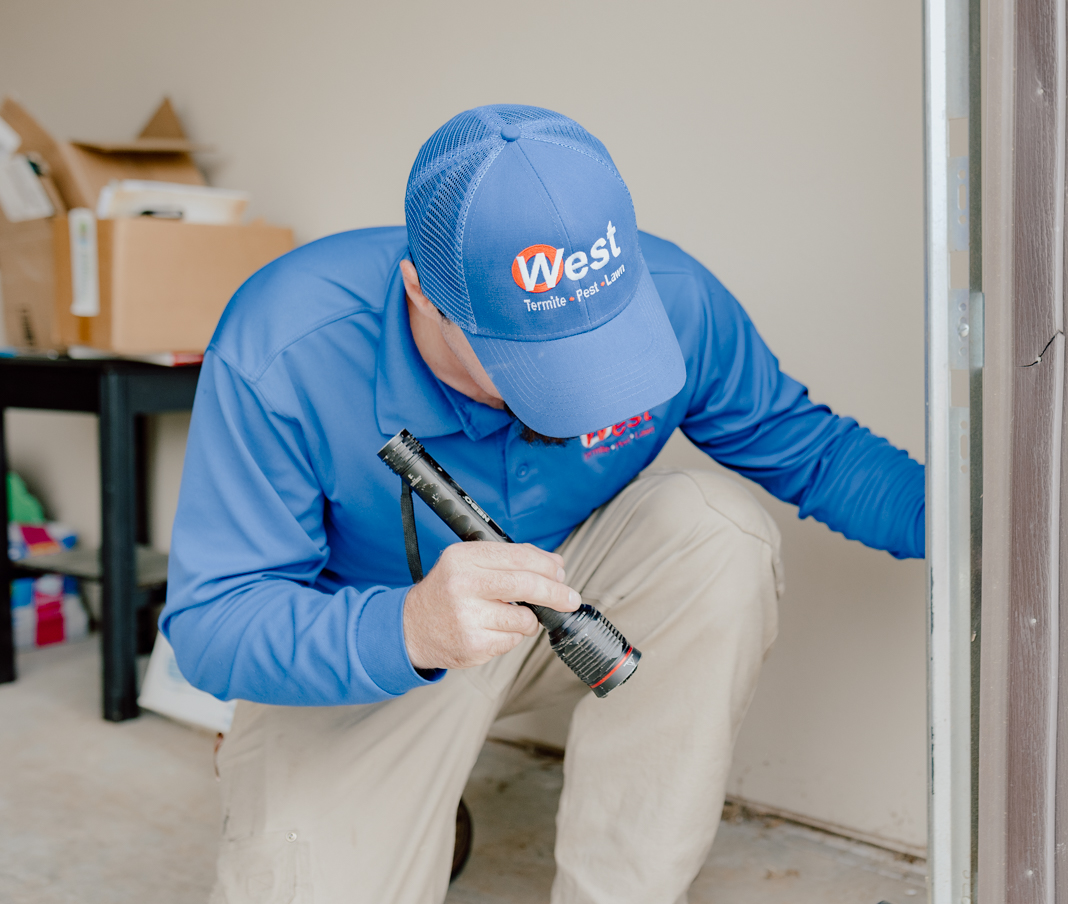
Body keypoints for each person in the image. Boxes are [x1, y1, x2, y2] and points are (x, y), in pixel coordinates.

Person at [161, 105, 924, 904]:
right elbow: (213, 627)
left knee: (717, 529)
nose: (585, 392)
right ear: (422, 292)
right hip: (373, 639)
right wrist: (412, 628)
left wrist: (982, 531)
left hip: (563, 604)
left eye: (601, 345)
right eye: (535, 360)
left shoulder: (679, 301)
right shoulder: (285, 344)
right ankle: (356, 780)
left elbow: (815, 451)